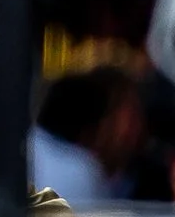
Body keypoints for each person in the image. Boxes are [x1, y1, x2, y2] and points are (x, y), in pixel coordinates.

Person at [29, 65, 146, 206]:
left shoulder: (147, 178)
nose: (138, 125)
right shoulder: (77, 172)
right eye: (130, 115)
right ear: (98, 126)